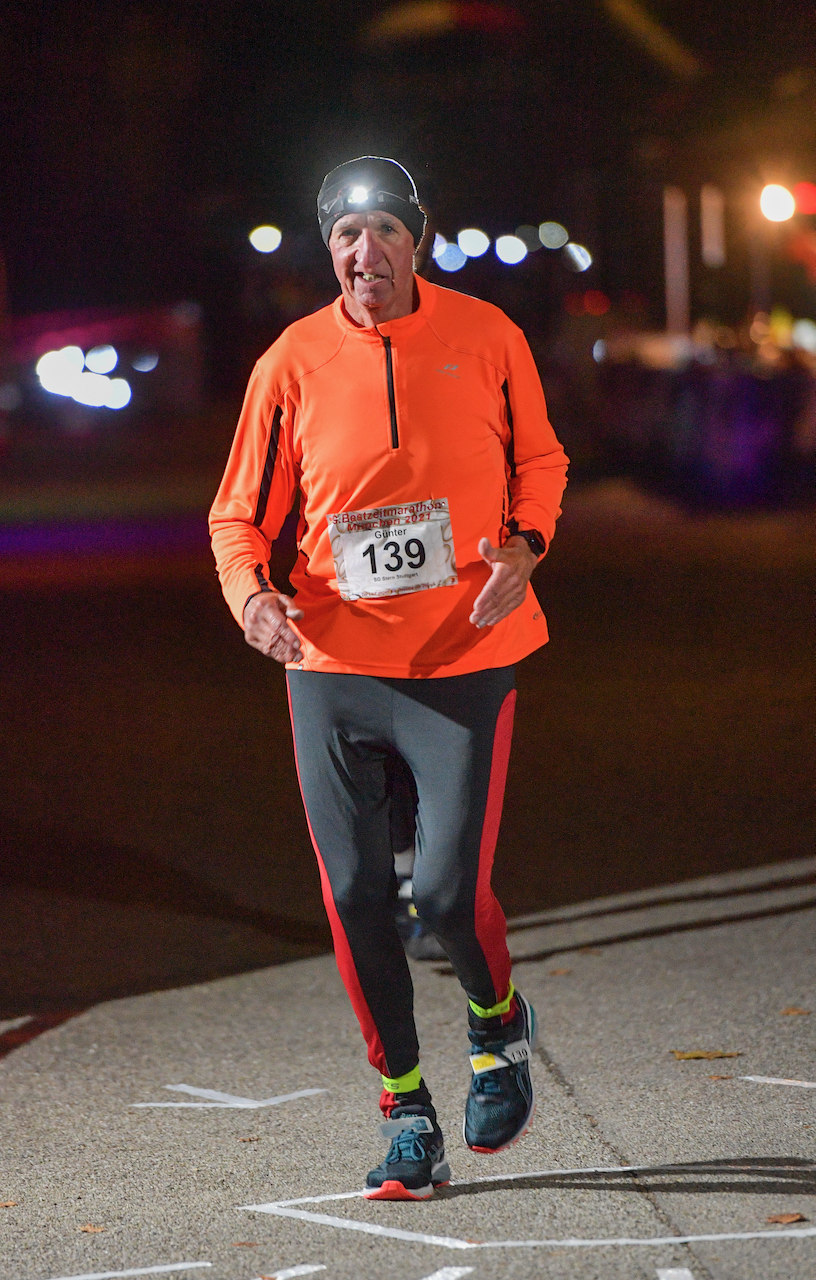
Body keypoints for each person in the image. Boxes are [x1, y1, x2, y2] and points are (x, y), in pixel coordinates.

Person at [209, 156, 569, 1201]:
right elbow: (237, 514)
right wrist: (252, 599)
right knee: (357, 891)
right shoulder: (290, 360)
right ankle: (405, 1107)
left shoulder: (487, 336)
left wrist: (524, 545)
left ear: (419, 235)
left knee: (448, 893)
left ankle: (495, 1028)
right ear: (327, 250)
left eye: (382, 231)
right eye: (343, 237)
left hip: (466, 652)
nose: (363, 253)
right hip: (331, 664)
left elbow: (539, 461)